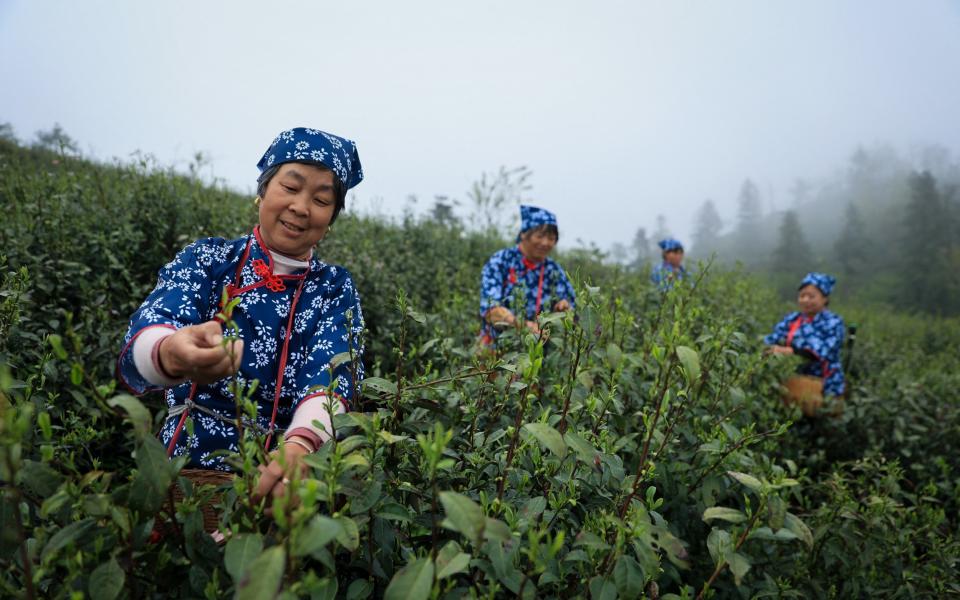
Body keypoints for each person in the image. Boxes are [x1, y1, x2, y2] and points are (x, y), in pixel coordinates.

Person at [117, 127, 365, 501]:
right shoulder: (209, 261)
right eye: (290, 187)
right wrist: (170, 352)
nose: (300, 207)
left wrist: (300, 445)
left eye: (321, 199)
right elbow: (153, 326)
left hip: (280, 490)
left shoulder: (333, 289)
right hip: (184, 477)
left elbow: (332, 377)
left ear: (330, 219)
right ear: (262, 191)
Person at [479, 205, 575, 344]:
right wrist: (524, 327)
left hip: (540, 352)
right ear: (524, 234)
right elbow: (490, 309)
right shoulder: (502, 261)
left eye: (551, 238)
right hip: (498, 347)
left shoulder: (554, 270)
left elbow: (572, 306)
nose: (545, 243)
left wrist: (563, 307)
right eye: (540, 236)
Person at [763, 272, 845, 398]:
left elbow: (821, 351)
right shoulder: (793, 319)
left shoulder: (833, 322)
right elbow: (773, 338)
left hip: (824, 385)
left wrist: (790, 351)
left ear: (825, 298)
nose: (805, 300)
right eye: (802, 296)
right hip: (793, 382)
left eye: (811, 296)